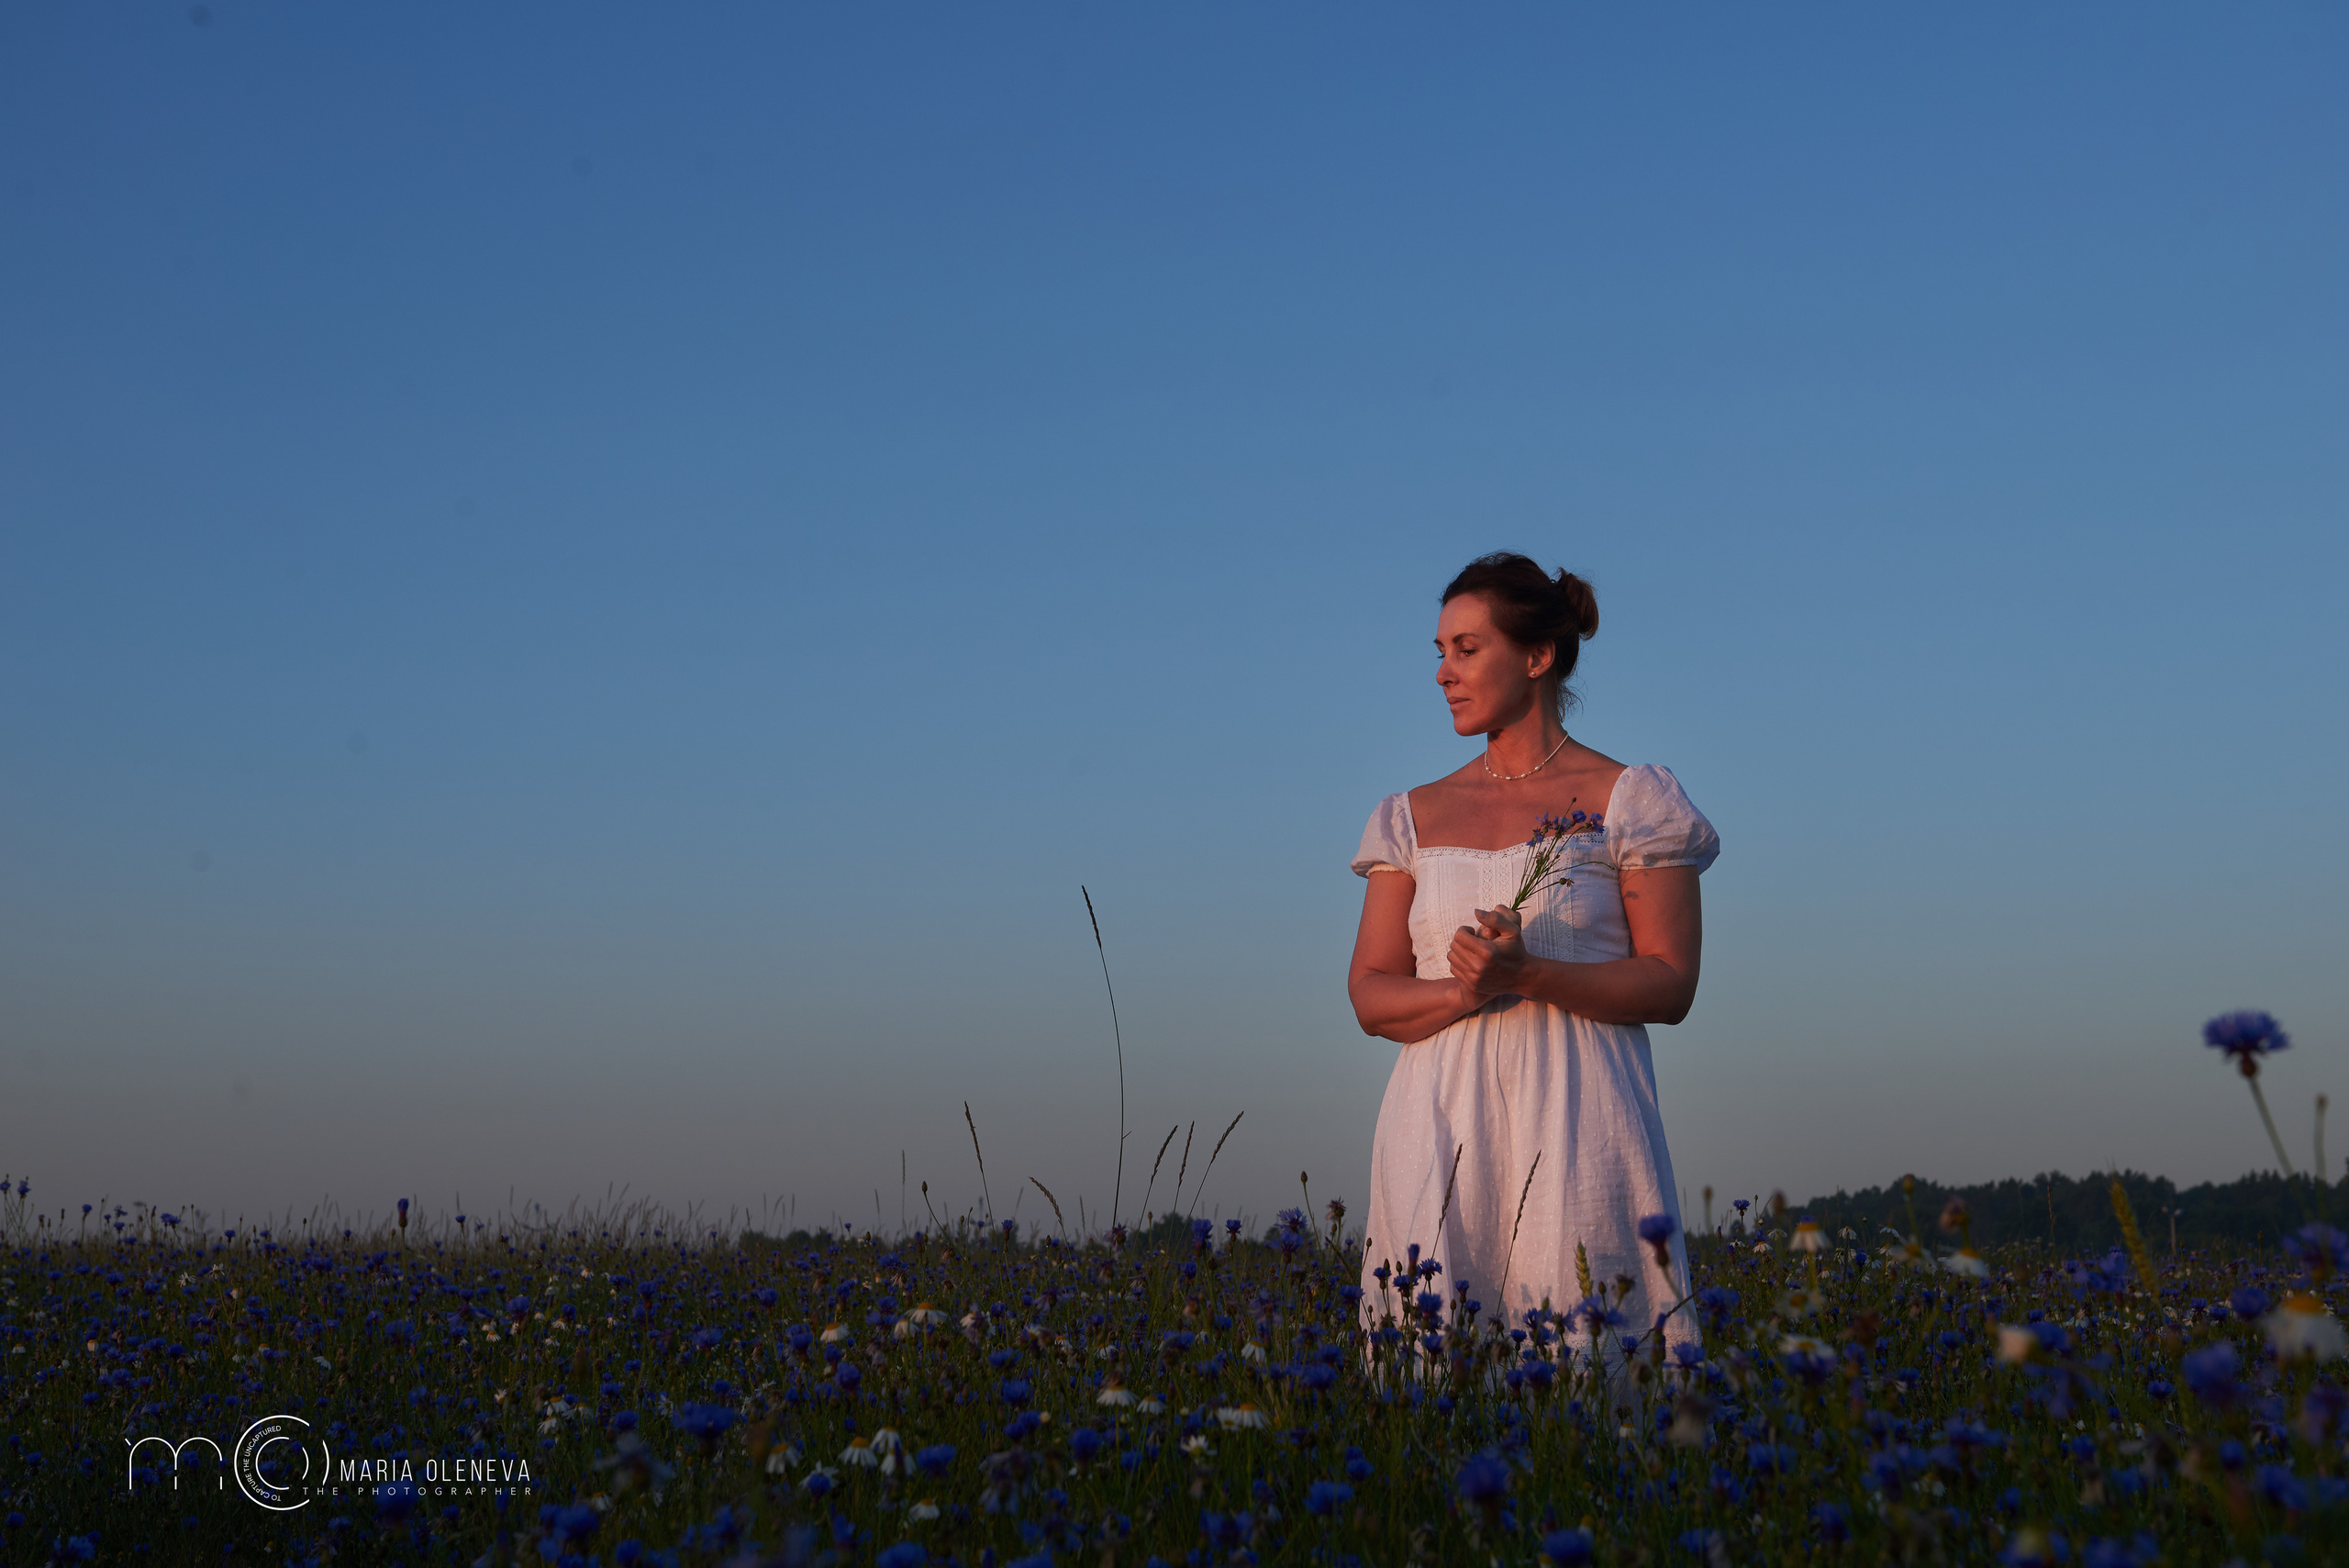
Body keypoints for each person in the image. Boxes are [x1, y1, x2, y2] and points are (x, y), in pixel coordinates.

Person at [1346, 551, 1720, 1362]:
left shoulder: (1634, 800)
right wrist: (1466, 991)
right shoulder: (1409, 815)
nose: (1444, 672)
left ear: (1538, 656)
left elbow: (1671, 981)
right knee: (1431, 1363)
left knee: (1591, 1362)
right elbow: (1371, 995)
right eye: (1440, 651)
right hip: (1437, 1119)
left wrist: (1528, 975)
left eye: (1467, 649)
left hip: (1582, 1114)